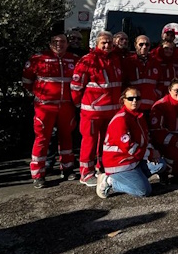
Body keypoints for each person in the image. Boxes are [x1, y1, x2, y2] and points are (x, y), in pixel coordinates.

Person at [23, 33, 79, 187]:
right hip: (45, 106)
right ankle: (38, 174)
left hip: (67, 106)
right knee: (42, 139)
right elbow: (27, 81)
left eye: (62, 41)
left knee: (66, 137)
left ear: (67, 44)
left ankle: (67, 169)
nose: (59, 44)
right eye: (55, 41)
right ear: (50, 43)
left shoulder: (74, 59)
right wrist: (39, 95)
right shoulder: (38, 59)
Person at [71, 31, 123, 187]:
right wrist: (79, 104)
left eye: (109, 42)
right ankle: (86, 173)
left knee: (107, 141)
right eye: (103, 43)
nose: (107, 45)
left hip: (111, 111)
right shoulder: (87, 60)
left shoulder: (115, 59)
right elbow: (76, 86)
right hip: (93, 111)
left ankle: (103, 167)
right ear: (97, 44)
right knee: (89, 141)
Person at [96, 87, 167, 198]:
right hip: (119, 164)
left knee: (160, 164)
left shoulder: (138, 116)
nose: (134, 101)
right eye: (130, 98)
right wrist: (151, 154)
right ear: (123, 100)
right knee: (144, 191)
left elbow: (144, 139)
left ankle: (136, 179)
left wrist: (152, 153)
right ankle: (109, 181)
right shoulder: (121, 120)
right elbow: (130, 148)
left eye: (137, 98)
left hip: (134, 161)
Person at [123, 35, 163, 115]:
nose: (144, 47)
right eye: (141, 44)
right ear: (135, 45)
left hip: (151, 106)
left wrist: (156, 94)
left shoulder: (156, 62)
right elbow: (124, 83)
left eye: (147, 44)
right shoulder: (128, 62)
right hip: (133, 106)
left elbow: (161, 82)